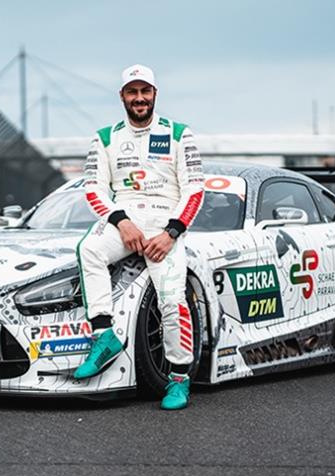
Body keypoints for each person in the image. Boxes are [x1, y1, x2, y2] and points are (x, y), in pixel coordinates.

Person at [74, 64, 205, 410]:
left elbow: (194, 190)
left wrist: (172, 232)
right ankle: (105, 336)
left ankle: (178, 380)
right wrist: (121, 221)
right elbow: (93, 189)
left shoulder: (179, 134)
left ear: (155, 94)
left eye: (145, 91)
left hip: (166, 220)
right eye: (132, 92)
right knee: (89, 249)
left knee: (171, 299)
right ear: (122, 96)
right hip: (126, 217)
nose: (139, 98)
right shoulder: (105, 138)